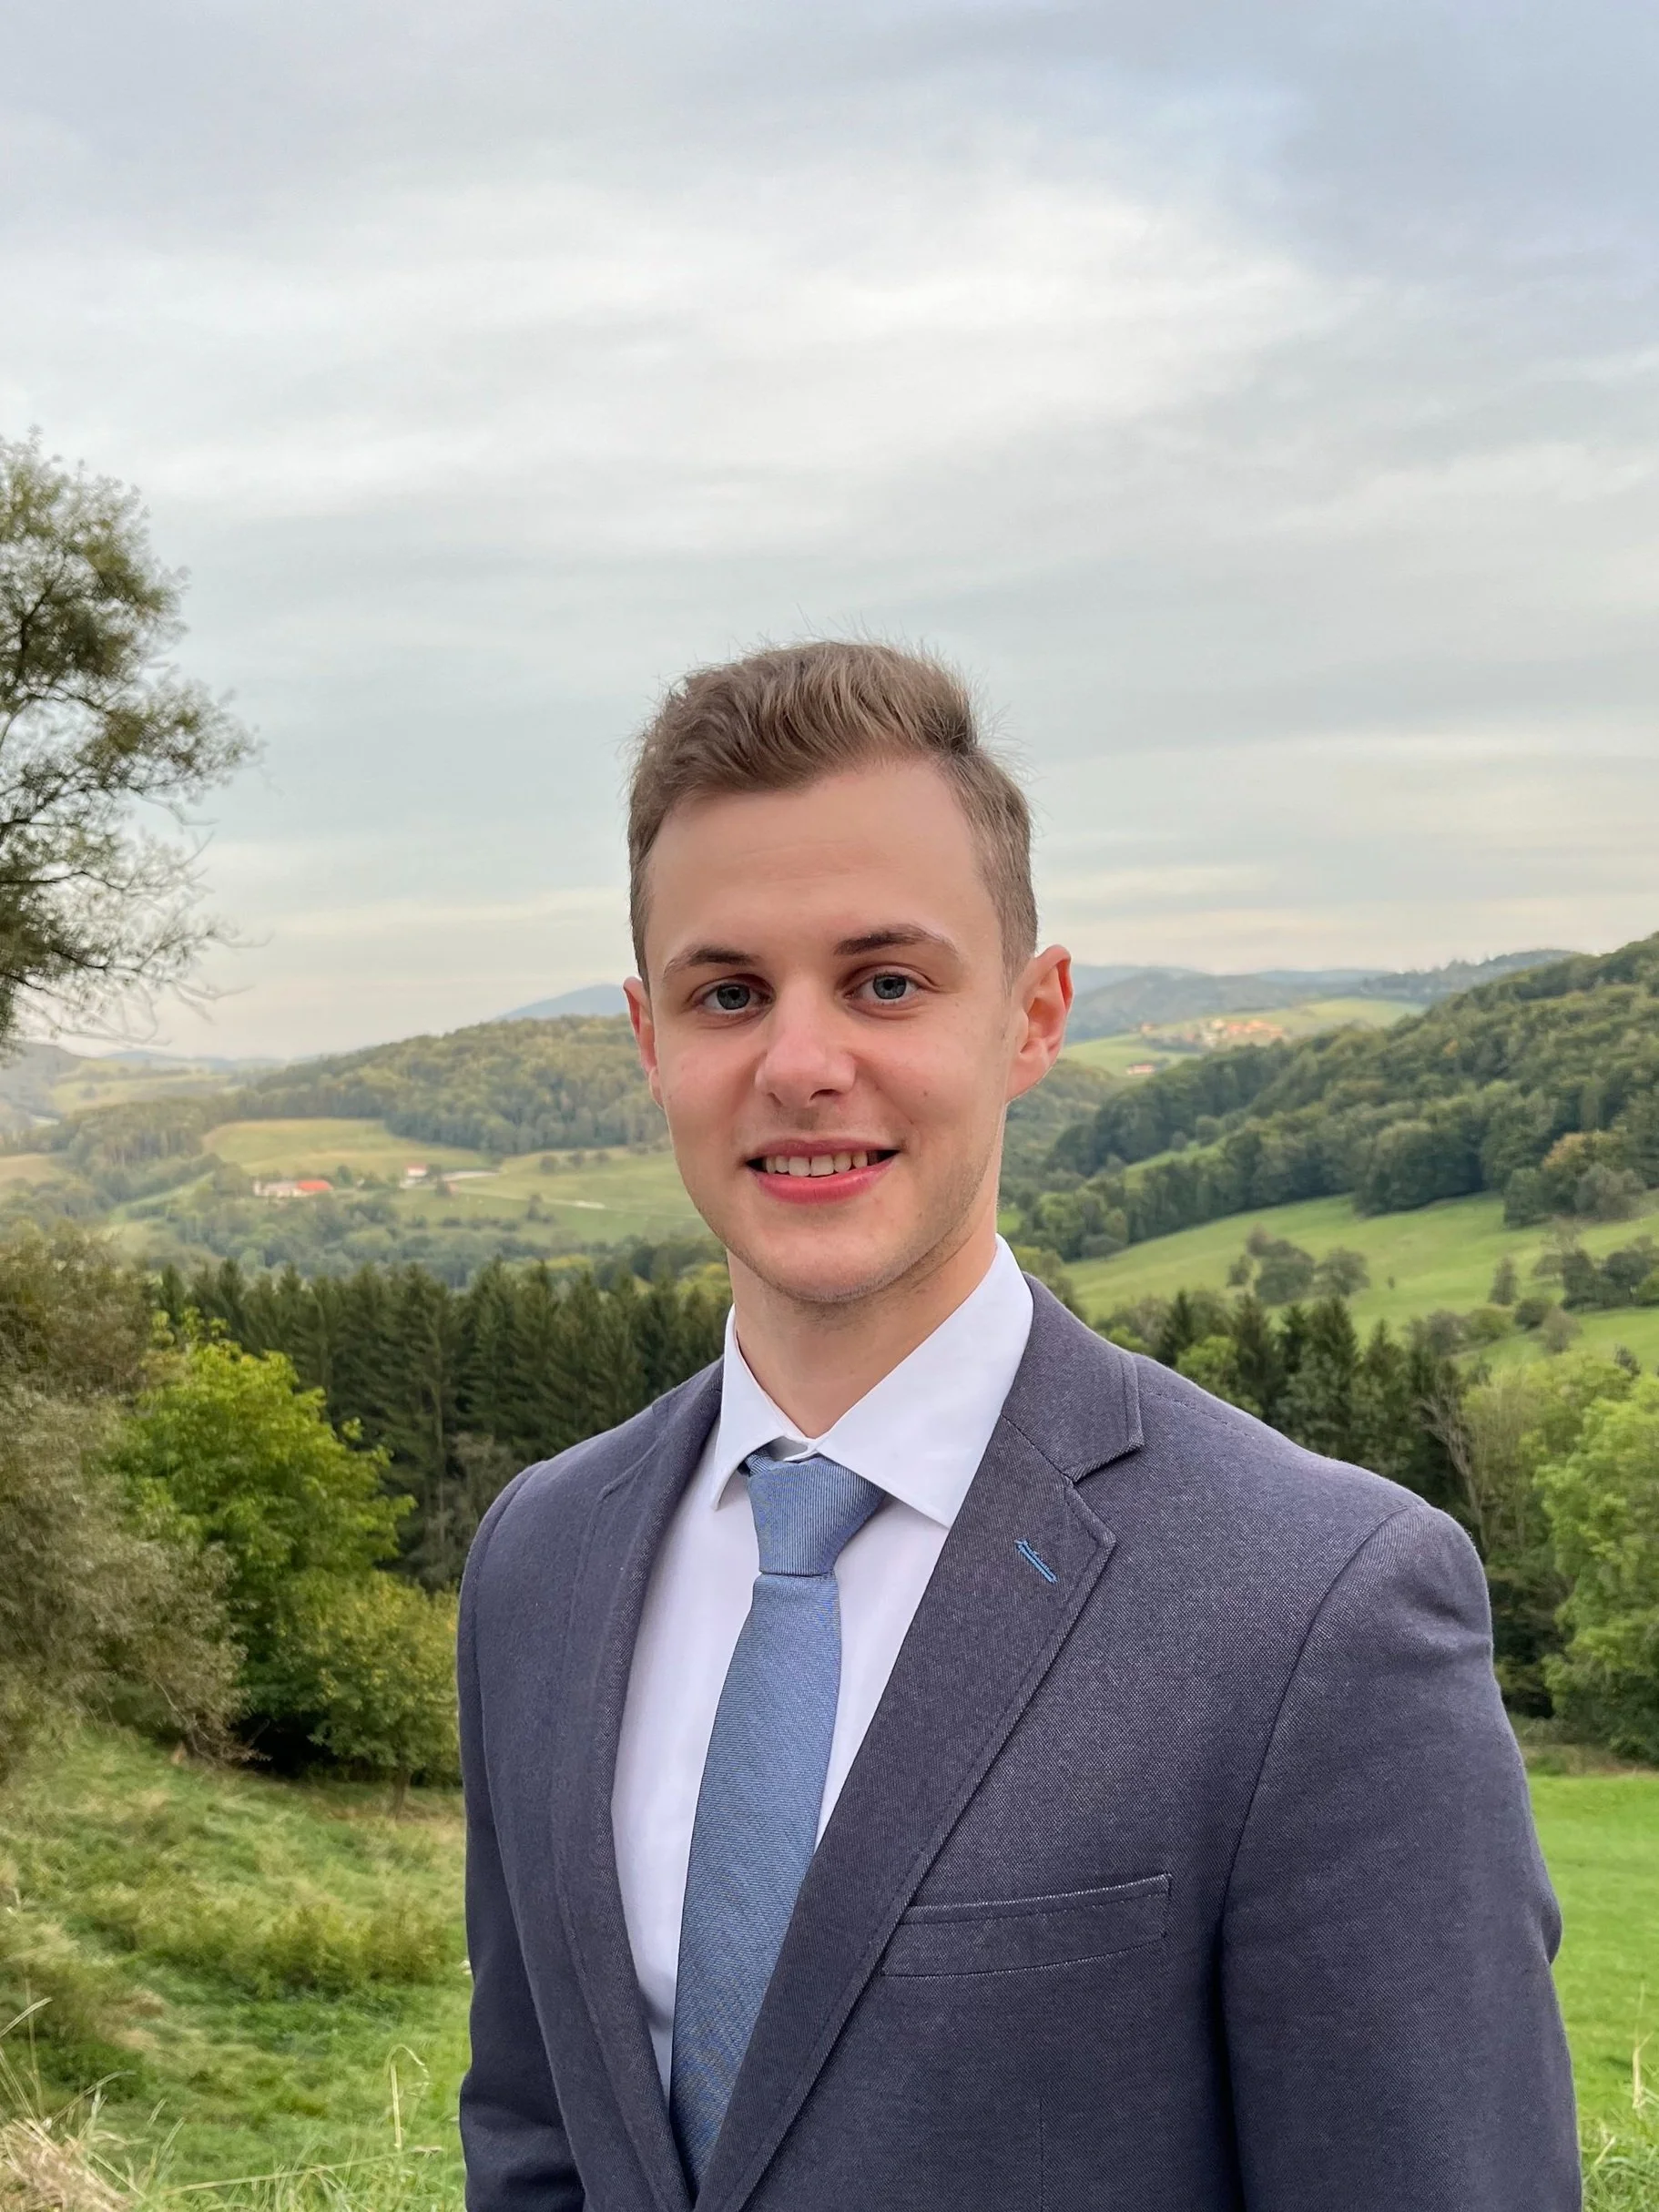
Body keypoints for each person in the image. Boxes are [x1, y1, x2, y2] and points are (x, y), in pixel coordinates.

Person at [457, 641, 1579, 2212]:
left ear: (1032, 1018)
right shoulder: (542, 1557)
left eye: (885, 982)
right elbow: (533, 2136)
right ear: (650, 1040)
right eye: (729, 995)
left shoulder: (1317, 1607)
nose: (800, 1065)